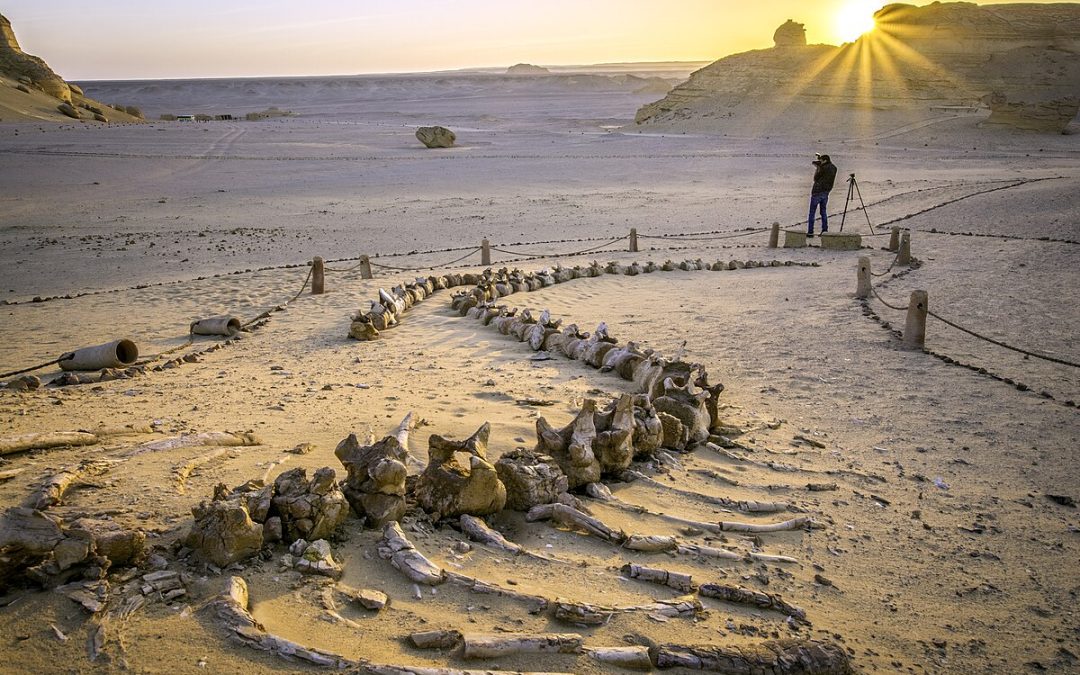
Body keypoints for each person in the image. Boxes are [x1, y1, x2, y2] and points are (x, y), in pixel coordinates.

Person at [807, 153, 838, 237]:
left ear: (825, 160)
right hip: (826, 191)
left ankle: (810, 232)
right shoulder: (834, 168)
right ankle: (825, 231)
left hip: (817, 191)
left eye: (821, 161)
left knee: (812, 213)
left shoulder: (822, 168)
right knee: (823, 212)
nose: (820, 162)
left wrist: (818, 168)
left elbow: (816, 178)